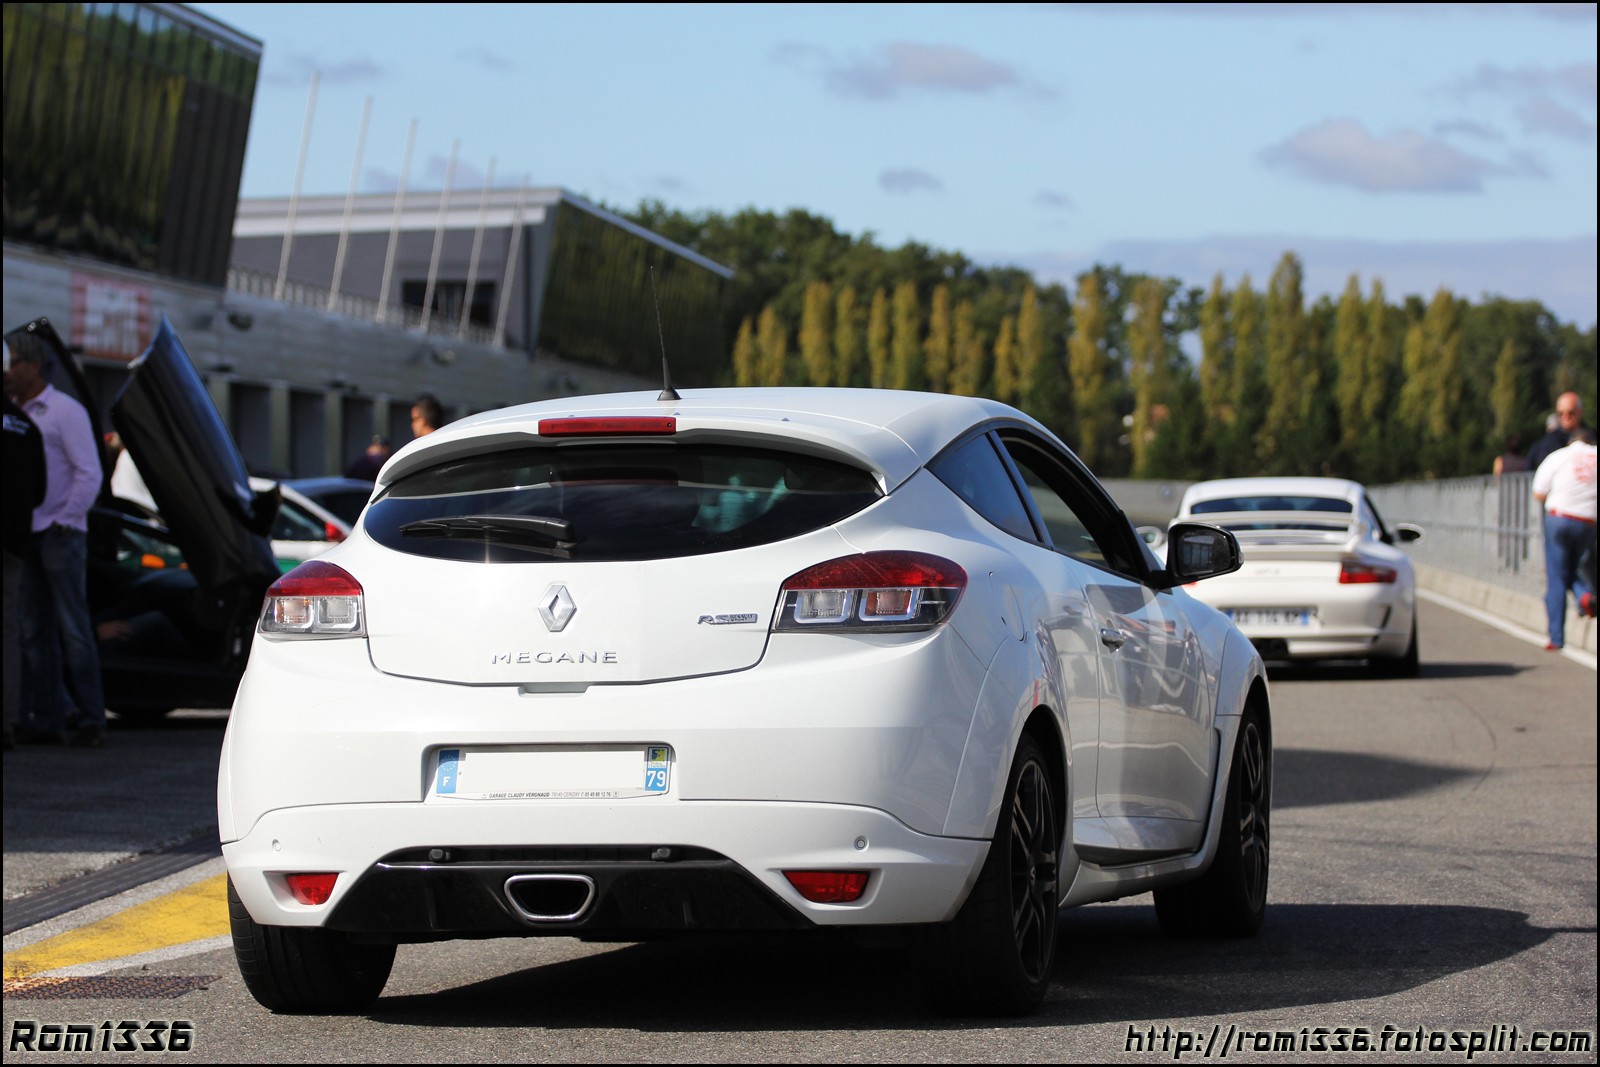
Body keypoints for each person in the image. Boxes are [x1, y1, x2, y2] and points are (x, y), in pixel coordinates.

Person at [4, 330, 108, 747]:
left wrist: (65, 519)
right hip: (28, 534)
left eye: (12, 363)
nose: (6, 372)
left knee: (73, 629)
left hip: (61, 534)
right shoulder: (14, 412)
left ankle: (91, 718)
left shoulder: (65, 411)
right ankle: (47, 719)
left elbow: (89, 472)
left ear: (32, 366)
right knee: (33, 632)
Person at [3, 341, 48, 751]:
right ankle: (7, 722)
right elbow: (39, 493)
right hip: (14, 544)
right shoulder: (26, 426)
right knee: (8, 632)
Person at [1531, 426, 1597, 651]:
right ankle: (1585, 596)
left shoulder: (1559, 456)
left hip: (1559, 519)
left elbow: (1538, 492)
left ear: (1571, 442)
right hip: (1589, 523)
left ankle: (1556, 637)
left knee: (1557, 577)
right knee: (1570, 569)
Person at [1526, 393, 1588, 471]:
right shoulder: (1546, 444)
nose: (1566, 417)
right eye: (1561, 413)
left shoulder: (1592, 437)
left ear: (1580, 411)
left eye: (1571, 413)